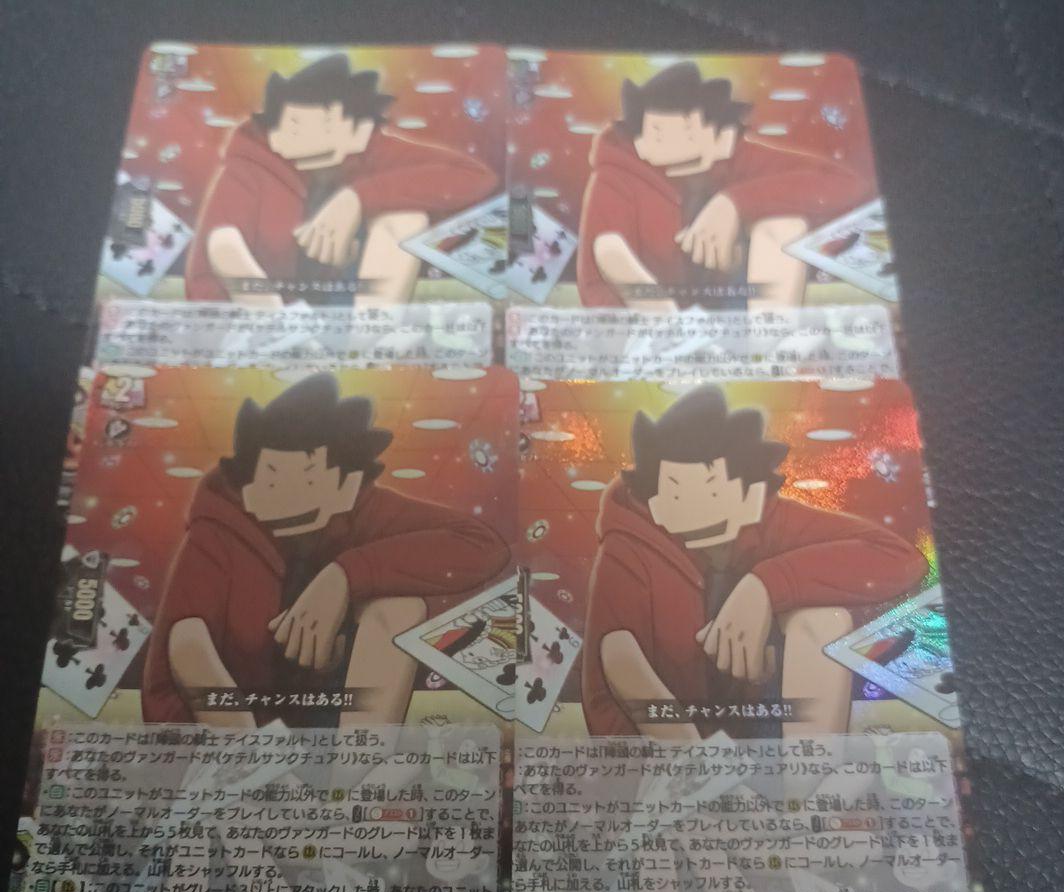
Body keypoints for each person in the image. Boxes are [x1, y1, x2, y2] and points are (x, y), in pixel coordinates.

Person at [142, 372, 510, 730]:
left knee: (401, 607)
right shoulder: (218, 529)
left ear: (346, 484)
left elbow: (482, 544)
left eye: (308, 474)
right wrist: (240, 740)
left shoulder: (362, 508)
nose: (284, 490)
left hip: (338, 716)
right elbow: (183, 645)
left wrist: (344, 576)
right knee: (193, 646)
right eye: (270, 473)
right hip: (243, 721)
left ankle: (356, 770)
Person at [582, 385, 927, 738]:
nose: (695, 508)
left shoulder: (770, 518)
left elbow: (899, 558)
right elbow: (616, 658)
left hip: (769, 720)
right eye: (674, 491)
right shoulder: (630, 542)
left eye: (713, 489)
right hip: (674, 735)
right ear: (654, 499)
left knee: (822, 619)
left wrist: (765, 585)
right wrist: (691, 755)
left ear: (750, 493)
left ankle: (811, 769)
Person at [185, 54, 498, 307]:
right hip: (266, 312)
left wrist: (358, 198)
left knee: (405, 218)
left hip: (350, 303)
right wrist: (269, 315)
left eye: (331, 121)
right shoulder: (250, 165)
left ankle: (369, 347)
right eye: (292, 122)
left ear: (358, 130)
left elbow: (475, 178)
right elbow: (221, 247)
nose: (295, 131)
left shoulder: (373, 149)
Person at [576, 62, 870, 311]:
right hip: (653, 317)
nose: (651, 140)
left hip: (741, 307)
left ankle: (769, 349)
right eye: (654, 131)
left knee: (784, 225)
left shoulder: (738, 156)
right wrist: (657, 315)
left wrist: (734, 203)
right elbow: (605, 257)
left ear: (717, 132)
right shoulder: (619, 172)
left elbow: (848, 185)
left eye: (692, 126)